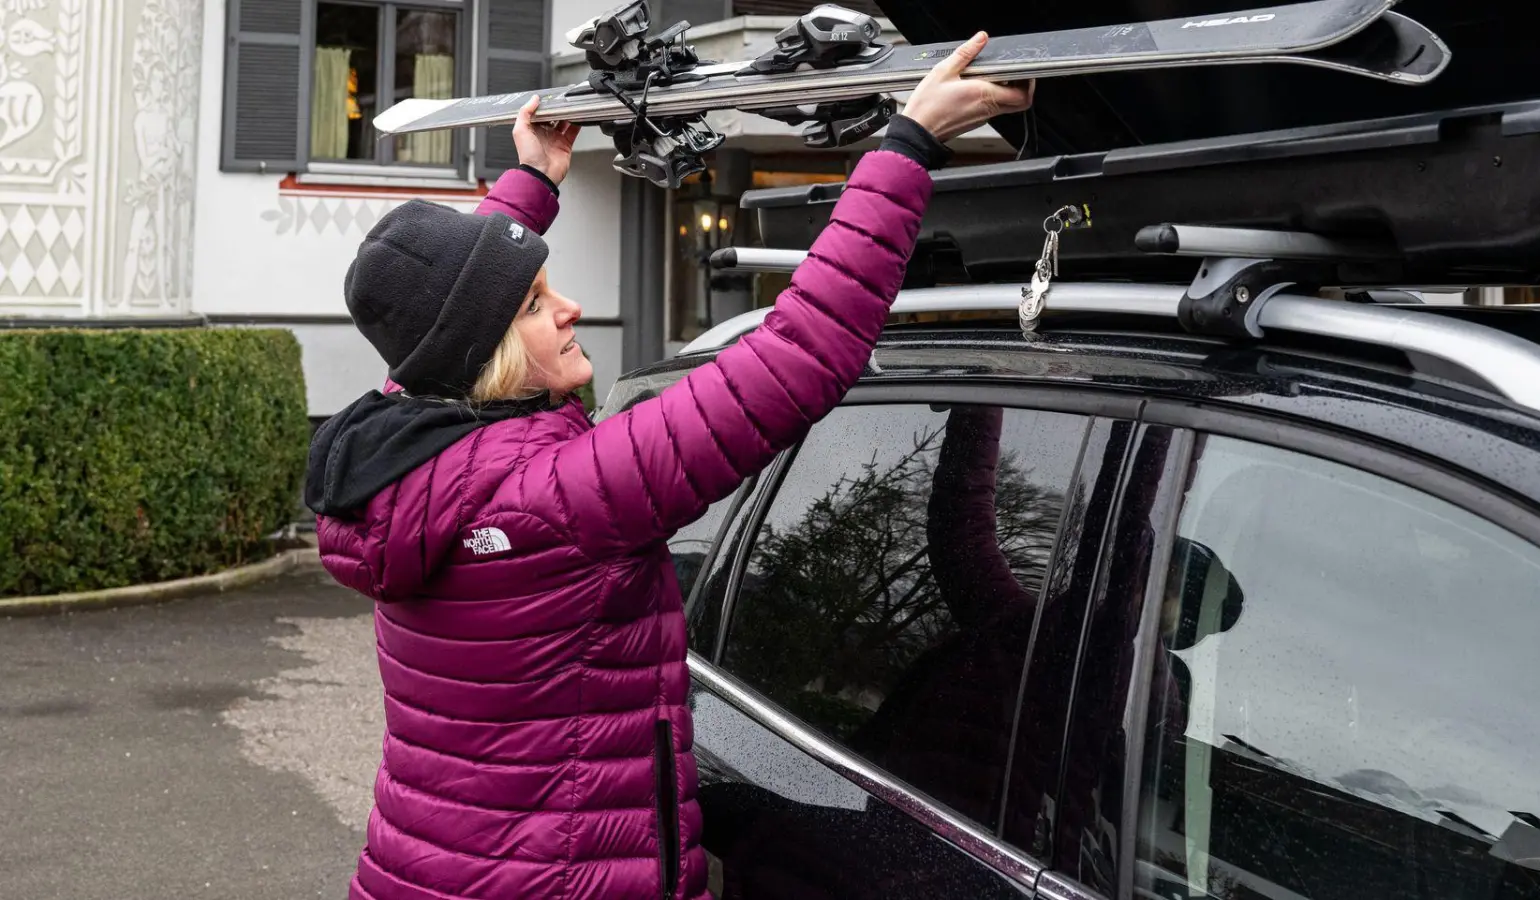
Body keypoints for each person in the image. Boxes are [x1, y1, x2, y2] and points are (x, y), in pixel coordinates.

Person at [305, 31, 1033, 900]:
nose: (572, 308)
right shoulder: (560, 499)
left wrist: (530, 189)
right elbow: (799, 358)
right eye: (537, 306)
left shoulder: (399, 458)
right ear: (489, 354)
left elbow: (437, 330)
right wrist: (906, 144)